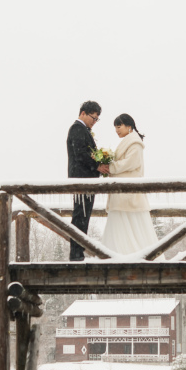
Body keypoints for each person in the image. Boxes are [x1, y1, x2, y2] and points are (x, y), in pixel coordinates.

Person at [100, 114, 159, 255]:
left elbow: (132, 163)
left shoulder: (134, 143)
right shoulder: (129, 141)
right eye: (115, 127)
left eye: (119, 127)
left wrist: (111, 167)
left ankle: (127, 255)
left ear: (129, 126)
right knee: (122, 224)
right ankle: (117, 255)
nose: (116, 130)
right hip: (123, 192)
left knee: (131, 223)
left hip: (128, 192)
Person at [66, 101, 109, 261]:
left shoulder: (83, 130)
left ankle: (78, 252)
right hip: (81, 179)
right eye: (93, 117)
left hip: (85, 179)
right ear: (83, 113)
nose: (95, 121)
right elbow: (80, 154)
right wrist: (97, 165)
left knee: (83, 215)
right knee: (81, 216)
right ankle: (76, 254)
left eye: (97, 119)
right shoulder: (77, 129)